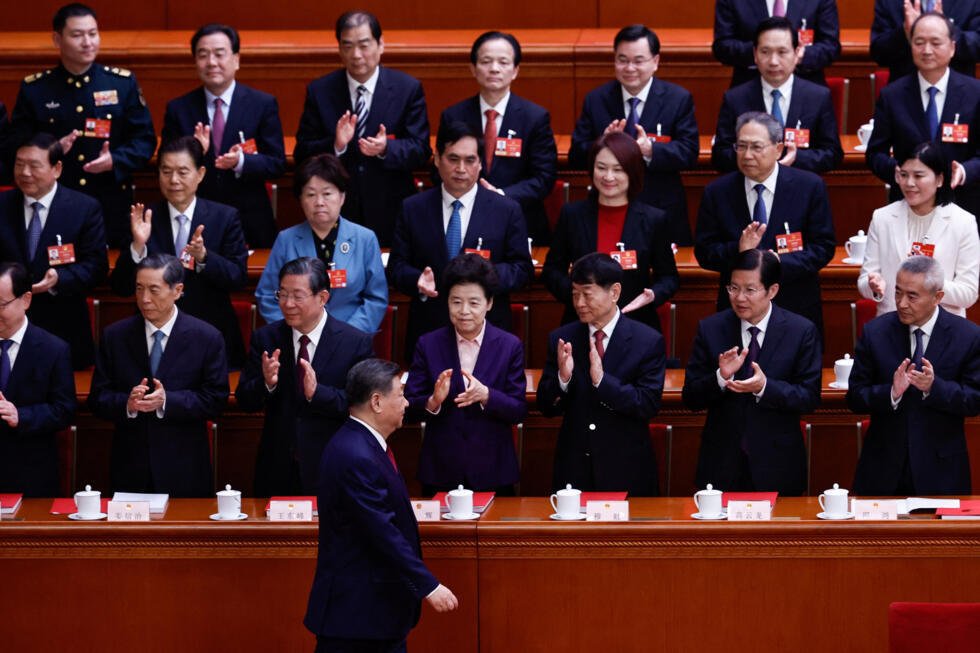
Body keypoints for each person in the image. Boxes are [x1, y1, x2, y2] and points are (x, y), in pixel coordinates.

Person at [304, 358, 458, 652]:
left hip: (373, 614)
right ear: (376, 401)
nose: (406, 402)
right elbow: (381, 531)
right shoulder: (355, 455)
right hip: (356, 617)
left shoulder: (366, 444)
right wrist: (429, 585)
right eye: (400, 394)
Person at [6, 3, 155, 247]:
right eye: (77, 35)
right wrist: (50, 150)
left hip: (109, 199)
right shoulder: (36, 89)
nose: (88, 42)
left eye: (93, 33)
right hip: (55, 201)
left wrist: (115, 160)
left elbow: (144, 140)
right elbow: (15, 145)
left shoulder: (122, 83)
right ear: (57, 39)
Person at [388, 120, 532, 359]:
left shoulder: (506, 209)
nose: (461, 169)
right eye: (453, 159)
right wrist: (418, 281)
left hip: (488, 332)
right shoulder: (413, 208)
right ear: (437, 159)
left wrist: (482, 279)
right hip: (429, 328)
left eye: (470, 160)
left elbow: (522, 269)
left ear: (480, 163)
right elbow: (396, 267)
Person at [89, 254, 228, 498]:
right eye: (139, 288)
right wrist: (128, 404)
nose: (144, 299)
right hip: (130, 467)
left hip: (184, 468)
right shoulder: (115, 336)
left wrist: (167, 401)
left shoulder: (206, 338)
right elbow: (98, 398)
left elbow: (216, 399)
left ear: (178, 290)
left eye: (154, 290)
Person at [683, 250, 820, 496]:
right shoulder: (711, 328)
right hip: (721, 464)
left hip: (778, 464)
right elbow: (690, 397)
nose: (739, 298)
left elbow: (809, 397)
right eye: (733, 288)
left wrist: (765, 387)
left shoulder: (801, 331)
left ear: (772, 291)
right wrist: (720, 378)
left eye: (750, 290)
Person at [237, 257, 374, 496]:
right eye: (282, 294)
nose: (288, 304)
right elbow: (244, 400)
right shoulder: (266, 338)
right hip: (277, 466)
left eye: (297, 296)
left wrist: (318, 394)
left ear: (322, 298)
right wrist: (267, 384)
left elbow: (363, 407)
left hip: (333, 464)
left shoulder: (355, 343)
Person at [294, 10, 430, 247]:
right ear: (339, 49)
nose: (356, 55)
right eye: (347, 46)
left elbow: (420, 149)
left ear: (381, 45)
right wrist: (336, 145)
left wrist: (386, 148)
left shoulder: (407, 88)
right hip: (338, 210)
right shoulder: (320, 91)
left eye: (364, 45)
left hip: (390, 206)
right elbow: (302, 152)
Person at [110, 136, 248, 367]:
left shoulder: (225, 217)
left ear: (201, 173)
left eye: (183, 172)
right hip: (153, 334)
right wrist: (137, 247)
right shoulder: (143, 217)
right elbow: (120, 286)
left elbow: (238, 278)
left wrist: (204, 258)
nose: (174, 180)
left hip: (209, 332)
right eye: (166, 171)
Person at [696, 111, 836, 338]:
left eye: (756, 147)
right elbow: (704, 252)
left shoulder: (809, 187)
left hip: (796, 306)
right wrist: (739, 251)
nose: (747, 155)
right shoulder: (717, 192)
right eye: (741, 147)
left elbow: (823, 247)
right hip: (737, 314)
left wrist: (779, 263)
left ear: (778, 149)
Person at [848, 255, 980, 496]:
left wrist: (934, 387)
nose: (901, 303)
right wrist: (890, 393)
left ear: (938, 297)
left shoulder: (967, 336)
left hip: (942, 471)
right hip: (883, 470)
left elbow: (974, 400)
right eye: (898, 293)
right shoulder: (875, 332)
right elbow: (855, 397)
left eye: (912, 296)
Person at [537, 253, 665, 497]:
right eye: (575, 294)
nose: (579, 302)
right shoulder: (562, 338)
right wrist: (563, 379)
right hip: (574, 470)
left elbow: (647, 404)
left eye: (587, 294)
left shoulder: (647, 341)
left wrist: (603, 382)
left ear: (614, 292)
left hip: (626, 469)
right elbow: (545, 406)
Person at [405, 254, 526, 496]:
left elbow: (519, 409)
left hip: (493, 469)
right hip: (441, 468)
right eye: (456, 302)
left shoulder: (509, 345)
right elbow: (408, 406)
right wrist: (433, 402)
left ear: (489, 303)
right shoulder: (428, 344)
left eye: (473, 302)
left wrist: (487, 395)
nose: (464, 311)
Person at [569, 24, 699, 246]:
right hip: (607, 208)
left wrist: (650, 151)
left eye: (638, 61)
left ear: (655, 62)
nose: (629, 68)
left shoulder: (677, 99)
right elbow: (575, 156)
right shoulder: (596, 99)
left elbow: (689, 152)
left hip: (661, 206)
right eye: (622, 60)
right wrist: (602, 143)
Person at [161, 23, 286, 248]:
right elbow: (165, 164)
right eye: (203, 55)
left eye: (219, 54)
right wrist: (195, 151)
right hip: (198, 219)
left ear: (236, 59)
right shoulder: (178, 108)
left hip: (250, 219)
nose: (211, 62)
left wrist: (242, 162)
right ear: (195, 62)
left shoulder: (262, 104)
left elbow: (277, 163)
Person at [544, 132, 679, 334]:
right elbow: (552, 271)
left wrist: (653, 294)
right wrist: (581, 296)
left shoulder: (653, 219)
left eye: (618, 169)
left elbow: (669, 278)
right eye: (601, 168)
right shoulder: (572, 215)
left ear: (632, 173)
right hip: (580, 325)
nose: (608, 177)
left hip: (636, 324)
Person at [438, 31, 558, 244]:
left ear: (515, 70)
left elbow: (544, 178)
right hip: (465, 218)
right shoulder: (453, 115)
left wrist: (500, 195)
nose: (494, 68)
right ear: (473, 69)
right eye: (486, 61)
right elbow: (440, 168)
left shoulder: (535, 117)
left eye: (503, 62)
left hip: (520, 220)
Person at [0, 132, 107, 370]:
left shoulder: (84, 208)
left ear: (57, 168)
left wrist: (60, 279)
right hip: (5, 327)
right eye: (19, 164)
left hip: (63, 327)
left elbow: (96, 266)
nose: (25, 173)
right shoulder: (3, 205)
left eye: (34, 166)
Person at [254, 154, 387, 334]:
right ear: (300, 199)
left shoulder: (365, 238)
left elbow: (376, 298)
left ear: (342, 197)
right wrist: (296, 331)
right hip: (299, 340)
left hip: (350, 339)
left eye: (327, 193)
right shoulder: (286, 239)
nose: (319, 202)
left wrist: (347, 335)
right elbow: (267, 296)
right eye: (310, 194)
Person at [866, 12, 980, 219]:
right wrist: (901, 173)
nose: (927, 50)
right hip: (907, 207)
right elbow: (875, 154)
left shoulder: (975, 93)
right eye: (919, 42)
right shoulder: (892, 95)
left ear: (952, 47)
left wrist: (964, 171)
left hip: (964, 206)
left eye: (936, 43)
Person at [859, 141, 979, 317]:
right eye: (904, 174)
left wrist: (928, 283)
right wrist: (873, 286)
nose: (909, 183)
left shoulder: (963, 222)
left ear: (939, 179)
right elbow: (864, 281)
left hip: (944, 330)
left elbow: (968, 294)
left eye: (918, 176)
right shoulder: (882, 218)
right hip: (892, 325)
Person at [712, 16, 843, 175]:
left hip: (800, 189)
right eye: (765, 52)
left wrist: (796, 158)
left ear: (796, 53)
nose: (773, 61)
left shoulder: (818, 96)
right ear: (755, 54)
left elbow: (833, 155)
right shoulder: (735, 98)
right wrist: (754, 156)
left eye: (782, 52)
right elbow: (719, 156)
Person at [0, 262, 76, 498]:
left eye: (1, 304)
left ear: (26, 300)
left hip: (30, 476)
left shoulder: (53, 349)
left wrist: (20, 416)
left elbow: (64, 410)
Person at [712, 0, 841, 87]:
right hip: (750, 90)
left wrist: (800, 55)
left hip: (806, 90)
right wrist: (761, 53)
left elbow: (831, 46)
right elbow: (722, 46)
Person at [871, 0, 980, 82]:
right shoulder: (890, 2)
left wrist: (945, 31)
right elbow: (878, 53)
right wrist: (904, 33)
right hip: (905, 98)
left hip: (960, 96)